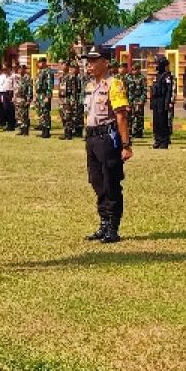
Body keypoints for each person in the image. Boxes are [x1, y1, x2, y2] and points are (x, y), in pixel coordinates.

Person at [82, 46, 132, 244]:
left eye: (94, 60)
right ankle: (103, 223)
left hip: (107, 138)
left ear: (106, 62)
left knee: (111, 182)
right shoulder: (90, 86)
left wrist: (126, 145)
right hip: (92, 138)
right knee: (96, 181)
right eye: (89, 61)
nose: (90, 64)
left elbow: (121, 116)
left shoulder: (114, 84)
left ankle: (113, 226)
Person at [149, 54, 176, 149]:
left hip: (162, 100)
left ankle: (164, 141)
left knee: (163, 121)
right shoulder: (157, 75)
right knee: (156, 121)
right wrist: (151, 102)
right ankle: (157, 140)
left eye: (157, 63)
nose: (155, 65)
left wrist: (168, 102)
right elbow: (152, 89)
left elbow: (169, 91)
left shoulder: (167, 76)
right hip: (156, 101)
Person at [125, 61, 148, 139]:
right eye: (133, 69)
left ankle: (138, 133)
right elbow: (125, 89)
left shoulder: (142, 78)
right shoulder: (128, 77)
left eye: (135, 69)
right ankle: (129, 132)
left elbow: (144, 90)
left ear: (139, 70)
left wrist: (142, 100)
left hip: (138, 100)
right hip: (129, 100)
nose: (134, 71)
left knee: (138, 117)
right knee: (129, 117)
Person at [33, 61, 54, 138]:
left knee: (45, 113)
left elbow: (50, 85)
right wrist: (35, 95)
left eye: (39, 63)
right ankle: (43, 130)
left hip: (44, 94)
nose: (38, 64)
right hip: (39, 95)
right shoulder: (40, 72)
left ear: (44, 63)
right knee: (41, 113)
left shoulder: (48, 71)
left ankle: (47, 131)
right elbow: (36, 85)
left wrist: (48, 96)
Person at [14, 63, 33, 135]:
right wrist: (14, 97)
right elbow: (15, 88)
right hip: (18, 98)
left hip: (24, 98)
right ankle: (21, 129)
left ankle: (25, 130)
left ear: (25, 70)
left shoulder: (28, 78)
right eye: (19, 69)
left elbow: (30, 89)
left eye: (22, 69)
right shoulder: (17, 78)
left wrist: (29, 100)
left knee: (24, 114)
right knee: (18, 114)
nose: (20, 70)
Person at [0, 64, 12, 130]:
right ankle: (0, 121)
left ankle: (4, 121)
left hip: (3, 93)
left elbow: (5, 86)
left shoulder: (4, 76)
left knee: (4, 108)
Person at [5, 64, 21, 132]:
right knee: (7, 110)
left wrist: (14, 96)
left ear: (9, 69)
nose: (5, 70)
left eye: (6, 69)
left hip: (11, 93)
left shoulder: (13, 76)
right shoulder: (6, 76)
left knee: (11, 110)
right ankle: (9, 124)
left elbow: (15, 86)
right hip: (6, 93)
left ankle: (11, 125)